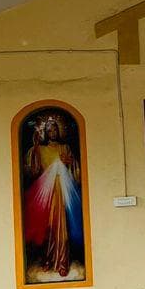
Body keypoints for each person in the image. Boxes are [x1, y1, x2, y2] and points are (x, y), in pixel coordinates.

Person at [22, 112, 84, 279]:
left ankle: (62, 262)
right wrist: (34, 148)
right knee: (48, 228)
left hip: (62, 192)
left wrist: (70, 164)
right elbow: (33, 171)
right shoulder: (40, 149)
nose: (53, 133)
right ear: (45, 133)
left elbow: (76, 173)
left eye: (55, 130)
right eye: (49, 130)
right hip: (46, 193)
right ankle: (48, 259)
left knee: (62, 229)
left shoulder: (65, 148)